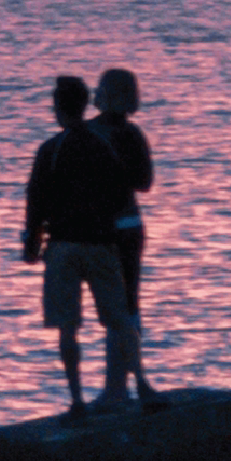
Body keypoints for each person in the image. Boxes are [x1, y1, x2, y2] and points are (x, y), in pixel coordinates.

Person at [22, 73, 137, 419]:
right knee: (119, 320)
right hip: (101, 243)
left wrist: (31, 242)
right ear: (85, 105)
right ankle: (140, 384)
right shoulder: (101, 145)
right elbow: (121, 194)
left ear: (58, 109)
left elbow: (36, 201)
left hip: (63, 248)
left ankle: (76, 399)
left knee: (67, 327)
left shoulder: (50, 150)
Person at [94, 65, 163, 409]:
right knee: (130, 307)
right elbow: (145, 183)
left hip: (103, 230)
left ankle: (116, 389)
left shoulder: (90, 133)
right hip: (131, 226)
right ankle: (131, 383)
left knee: (112, 310)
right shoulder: (134, 135)